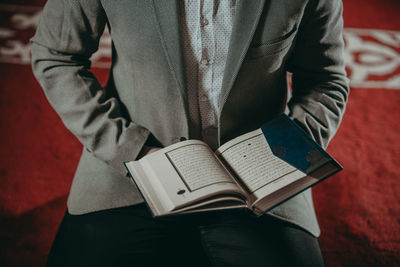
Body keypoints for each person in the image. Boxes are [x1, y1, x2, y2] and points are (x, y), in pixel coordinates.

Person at [31, 0, 349, 266]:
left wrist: (280, 154)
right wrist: (131, 150)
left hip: (255, 184)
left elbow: (325, 79)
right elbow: (56, 56)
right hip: (132, 168)